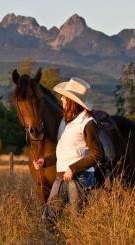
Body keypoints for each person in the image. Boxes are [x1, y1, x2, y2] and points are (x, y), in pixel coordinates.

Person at [33, 77, 103, 235]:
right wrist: (45, 161)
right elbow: (63, 151)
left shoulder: (88, 123)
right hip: (62, 175)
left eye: (65, 97)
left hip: (80, 177)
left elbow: (97, 155)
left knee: (77, 220)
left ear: (73, 101)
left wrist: (73, 168)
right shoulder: (66, 122)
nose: (62, 98)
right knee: (48, 218)